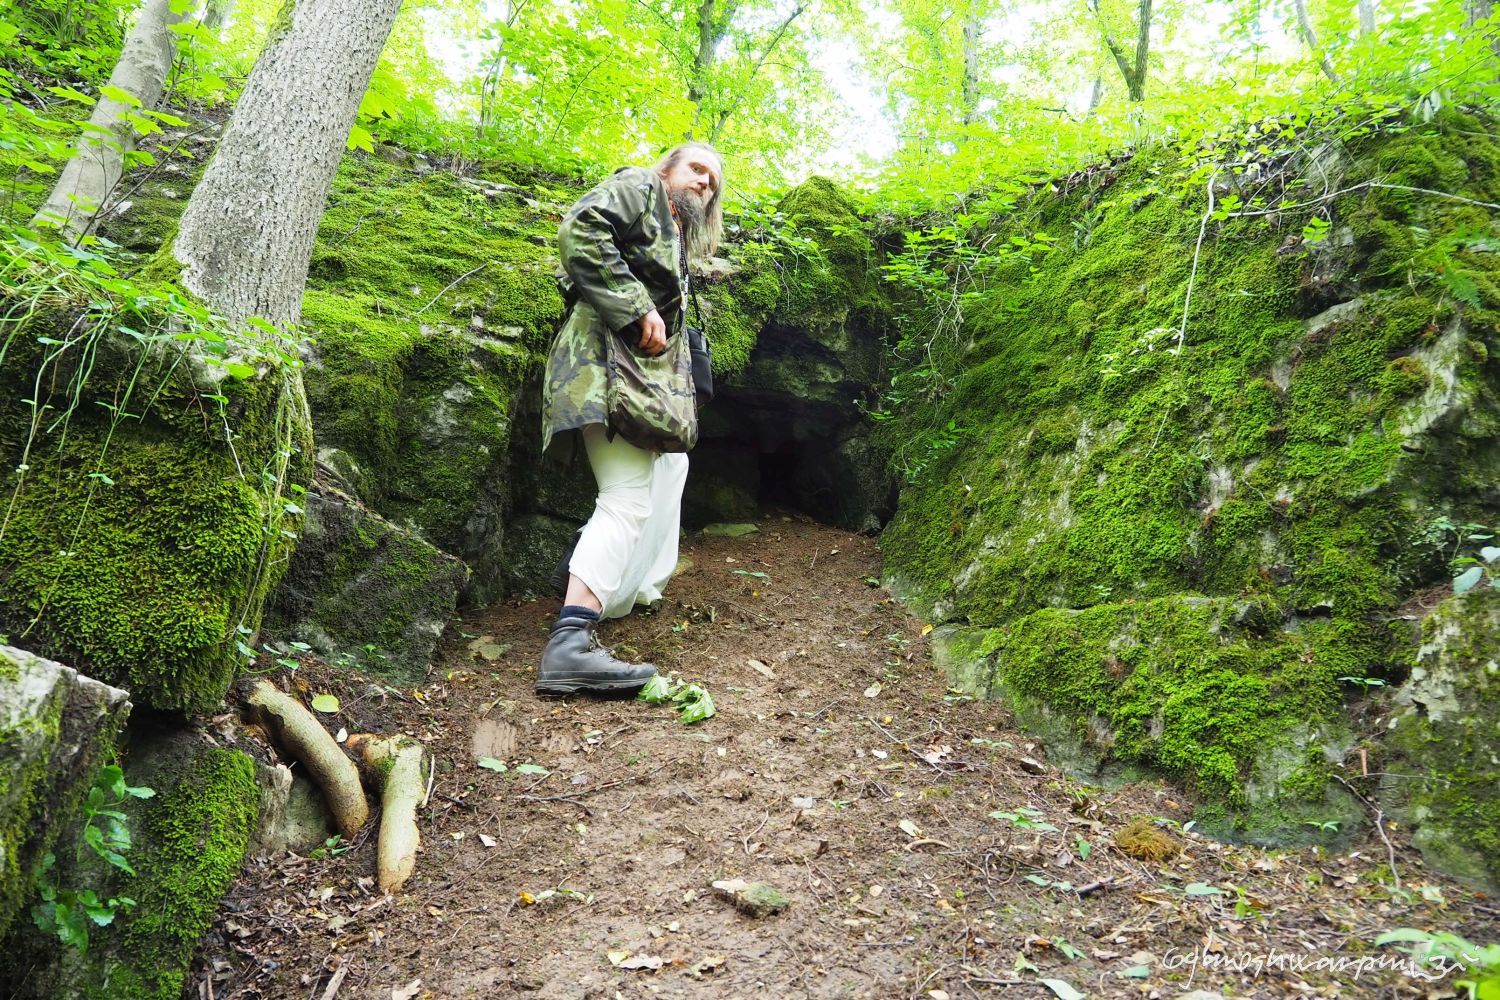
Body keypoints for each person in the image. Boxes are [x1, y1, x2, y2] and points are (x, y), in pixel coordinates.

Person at [535, 142, 724, 696]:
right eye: (697, 169)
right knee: (626, 495)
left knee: (673, 469)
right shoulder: (639, 187)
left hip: (639, 381)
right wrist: (636, 304)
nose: (704, 184)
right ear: (667, 167)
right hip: (601, 366)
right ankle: (571, 642)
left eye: (713, 180)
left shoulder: (673, 231)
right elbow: (580, 229)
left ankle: (615, 592)